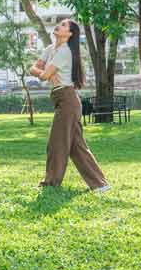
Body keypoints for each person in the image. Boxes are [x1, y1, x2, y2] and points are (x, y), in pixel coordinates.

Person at [30, 18, 110, 192]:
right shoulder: (50, 49)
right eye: (60, 23)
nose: (59, 25)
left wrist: (45, 74)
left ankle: (50, 183)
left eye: (64, 25)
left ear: (70, 34)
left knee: (56, 143)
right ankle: (100, 185)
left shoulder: (65, 51)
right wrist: (45, 74)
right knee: (77, 147)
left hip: (67, 100)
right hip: (61, 98)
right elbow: (34, 69)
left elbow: (43, 75)